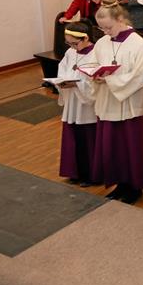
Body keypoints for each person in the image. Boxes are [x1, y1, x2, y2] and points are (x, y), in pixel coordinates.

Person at [91, 0, 143, 204]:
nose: (105, 32)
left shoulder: (138, 43)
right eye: (101, 28)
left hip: (130, 104)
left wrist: (111, 80)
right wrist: (95, 76)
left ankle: (134, 187)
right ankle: (118, 184)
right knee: (112, 146)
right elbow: (93, 65)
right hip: (108, 102)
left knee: (131, 146)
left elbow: (141, 76)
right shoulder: (102, 43)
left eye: (108, 27)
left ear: (120, 19)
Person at [57, 22, 99, 186]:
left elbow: (95, 80)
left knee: (88, 138)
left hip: (86, 104)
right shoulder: (70, 52)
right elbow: (63, 69)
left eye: (75, 43)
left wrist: (78, 83)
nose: (72, 47)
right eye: (69, 43)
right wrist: (61, 82)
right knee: (73, 136)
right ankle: (74, 171)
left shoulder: (96, 54)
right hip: (72, 101)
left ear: (86, 38)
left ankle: (91, 175)